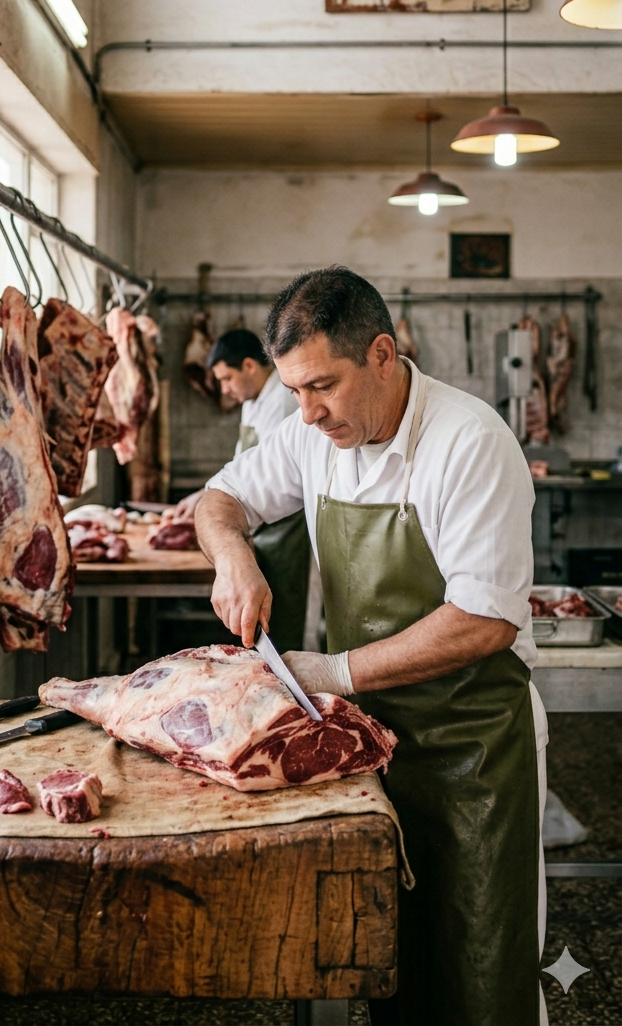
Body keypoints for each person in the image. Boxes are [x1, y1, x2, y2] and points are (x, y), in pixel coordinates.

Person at [195, 268, 548, 1026]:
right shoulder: (311, 434)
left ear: (383, 355)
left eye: (322, 385)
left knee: (479, 968)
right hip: (366, 745)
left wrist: (331, 671)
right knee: (387, 960)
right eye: (292, 390)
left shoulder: (469, 441)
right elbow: (219, 500)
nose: (308, 412)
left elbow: (484, 620)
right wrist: (235, 557)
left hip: (470, 750)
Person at [177, 328, 315, 652]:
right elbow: (244, 469)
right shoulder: (253, 401)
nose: (224, 390)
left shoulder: (282, 402)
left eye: (227, 379)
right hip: (263, 528)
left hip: (286, 531)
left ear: (250, 366)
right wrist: (204, 497)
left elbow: (272, 478)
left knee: (284, 624)